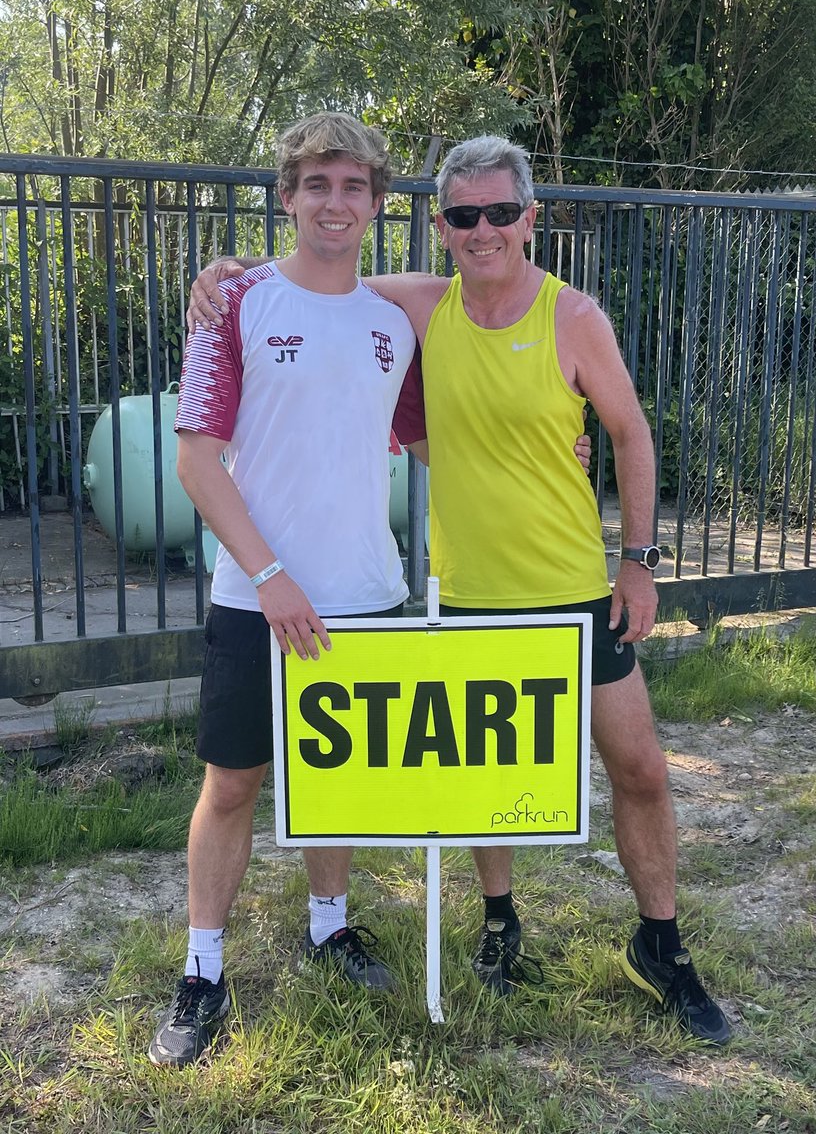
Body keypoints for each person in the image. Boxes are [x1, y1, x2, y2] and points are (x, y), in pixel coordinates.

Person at [188, 134, 731, 1046]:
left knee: (626, 767)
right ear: (439, 226)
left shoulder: (537, 317)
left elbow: (600, 434)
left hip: (527, 590)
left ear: (529, 217)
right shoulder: (379, 305)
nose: (484, 231)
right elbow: (219, 421)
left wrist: (632, 550)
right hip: (413, 594)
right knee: (433, 780)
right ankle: (479, 927)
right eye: (464, 215)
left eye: (501, 213)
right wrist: (220, 271)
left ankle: (659, 945)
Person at [152, 110, 594, 1068]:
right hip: (253, 598)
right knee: (232, 786)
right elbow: (195, 460)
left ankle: (329, 928)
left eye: (354, 187)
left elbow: (443, 442)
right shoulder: (233, 304)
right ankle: (201, 972)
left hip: (365, 597)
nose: (336, 203)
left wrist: (558, 448)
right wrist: (270, 579)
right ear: (287, 197)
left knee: (338, 787)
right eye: (317, 185)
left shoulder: (398, 322)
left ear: (379, 204)